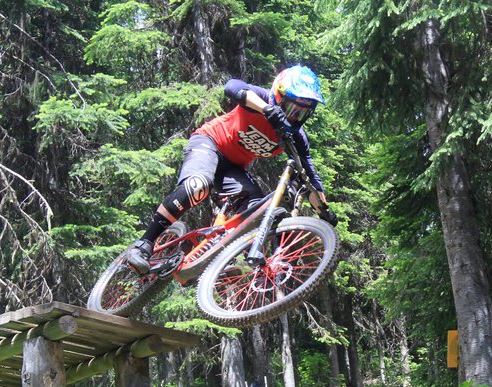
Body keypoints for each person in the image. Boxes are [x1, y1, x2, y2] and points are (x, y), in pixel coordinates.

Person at [126, 64, 336, 273]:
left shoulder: (295, 137)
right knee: (197, 186)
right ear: (278, 96)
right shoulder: (261, 98)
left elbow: (309, 175)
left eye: (302, 113)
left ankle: (220, 261)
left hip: (234, 168)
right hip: (209, 143)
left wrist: (324, 212)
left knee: (258, 213)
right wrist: (266, 109)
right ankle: (144, 244)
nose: (293, 117)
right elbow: (232, 87)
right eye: (291, 109)